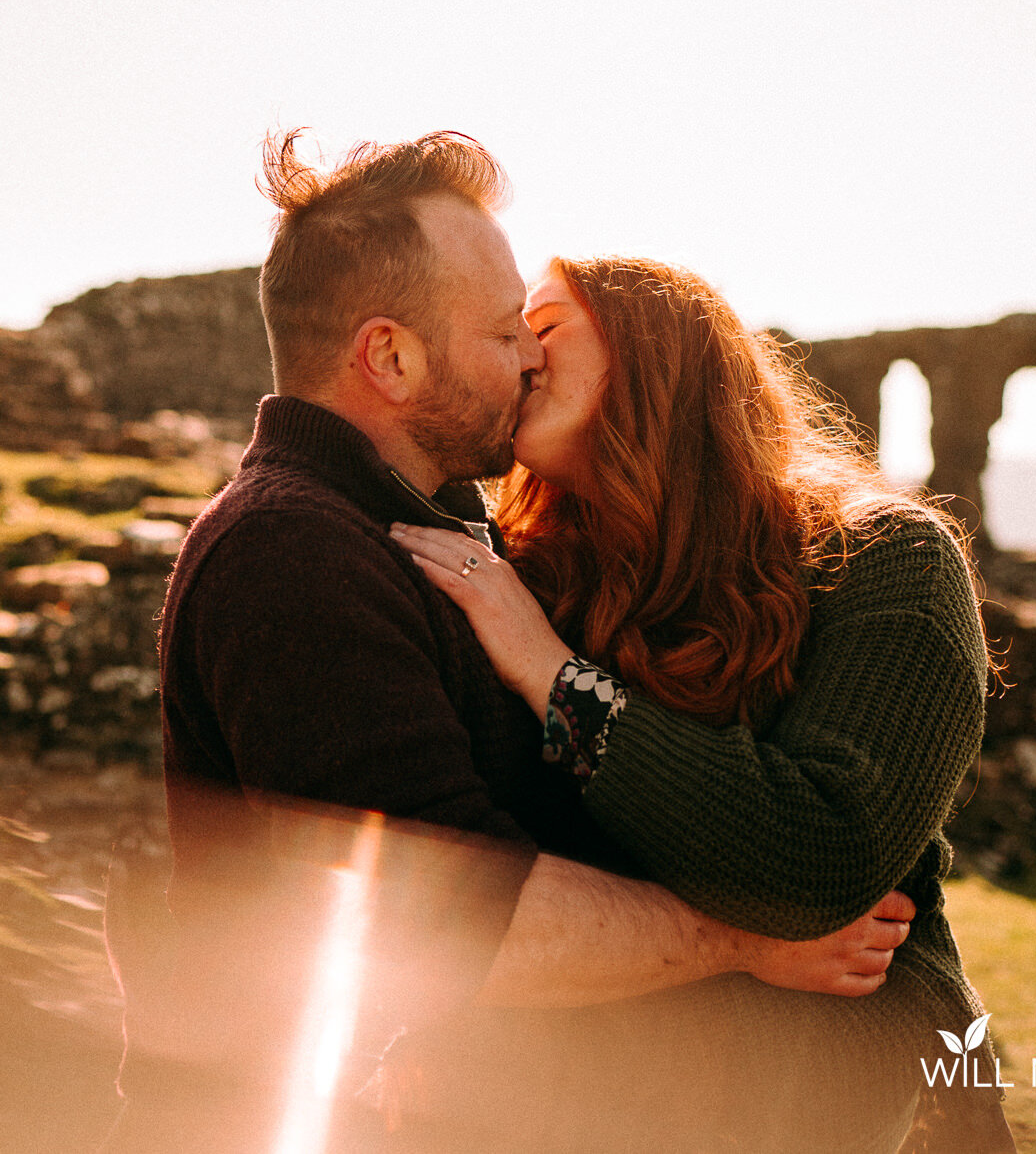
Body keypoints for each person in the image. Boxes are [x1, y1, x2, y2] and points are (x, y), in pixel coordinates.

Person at [106, 132, 917, 1152]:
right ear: (389, 357)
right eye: (500, 334)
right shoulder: (293, 551)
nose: (533, 355)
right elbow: (453, 921)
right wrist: (745, 936)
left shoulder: (433, 522)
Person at [390, 255, 1015, 1151]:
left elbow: (823, 858)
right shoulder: (517, 573)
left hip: (792, 1101)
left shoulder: (885, 561)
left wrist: (555, 677)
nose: (521, 354)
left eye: (550, 325)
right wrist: (748, 939)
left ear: (658, 356)